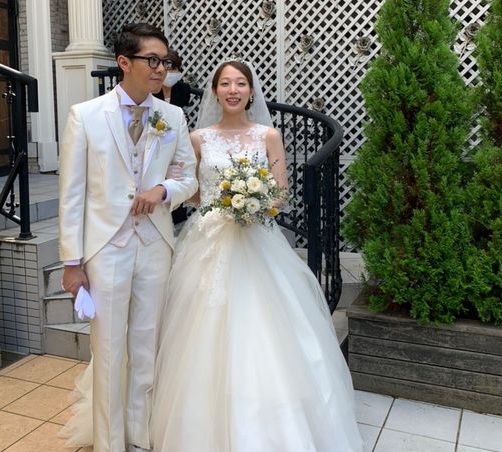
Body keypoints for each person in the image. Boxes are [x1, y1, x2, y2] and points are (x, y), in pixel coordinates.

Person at [151, 60, 363, 451]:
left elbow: (280, 191)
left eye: (240, 83)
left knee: (266, 326)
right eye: (225, 83)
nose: (233, 90)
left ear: (251, 91)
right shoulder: (197, 138)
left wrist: (253, 203)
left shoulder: (268, 135)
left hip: (257, 235)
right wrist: (217, 202)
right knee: (200, 328)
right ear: (215, 91)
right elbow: (193, 192)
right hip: (208, 237)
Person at [58, 23, 198, 452]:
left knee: (146, 347)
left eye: (164, 61)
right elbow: (72, 194)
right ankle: (109, 444)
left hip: (155, 244)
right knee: (108, 351)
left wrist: (163, 191)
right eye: (151, 60)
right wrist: (71, 262)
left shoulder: (172, 116)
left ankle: (140, 440)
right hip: (106, 248)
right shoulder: (85, 115)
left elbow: (189, 178)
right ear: (124, 62)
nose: (161, 69)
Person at [154, 49, 191, 226]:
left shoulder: (183, 89)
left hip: (176, 137)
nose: (169, 73)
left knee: (178, 173)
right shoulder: (152, 90)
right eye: (167, 67)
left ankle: (177, 213)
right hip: (156, 139)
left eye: (173, 68)